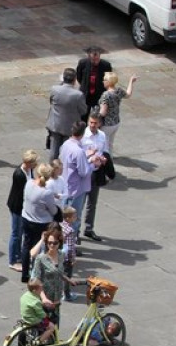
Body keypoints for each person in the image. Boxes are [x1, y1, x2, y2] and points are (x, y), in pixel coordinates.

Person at [30, 226, 79, 326]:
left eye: (55, 243)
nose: (52, 245)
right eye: (49, 243)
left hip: (56, 297)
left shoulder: (61, 255)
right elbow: (36, 280)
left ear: (59, 243)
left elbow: (59, 272)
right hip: (45, 298)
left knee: (55, 323)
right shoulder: (41, 258)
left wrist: (68, 280)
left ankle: (53, 340)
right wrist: (43, 298)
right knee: (44, 326)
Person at [20, 163, 57, 283]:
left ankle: (25, 274)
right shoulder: (46, 192)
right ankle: (38, 274)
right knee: (40, 249)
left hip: (26, 218)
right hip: (41, 223)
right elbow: (54, 210)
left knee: (26, 246)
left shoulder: (29, 183)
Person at [81, 112, 112, 241]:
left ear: (99, 124)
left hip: (96, 172)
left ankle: (89, 228)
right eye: (91, 122)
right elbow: (79, 155)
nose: (93, 125)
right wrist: (90, 158)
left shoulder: (102, 135)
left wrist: (103, 159)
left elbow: (105, 150)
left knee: (92, 202)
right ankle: (75, 231)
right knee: (80, 202)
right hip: (84, 172)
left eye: (95, 123)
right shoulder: (83, 135)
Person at [59, 121, 93, 240]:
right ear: (82, 134)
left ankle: (64, 242)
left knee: (65, 218)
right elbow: (84, 172)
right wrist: (93, 163)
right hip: (76, 190)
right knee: (73, 219)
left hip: (66, 186)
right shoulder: (78, 151)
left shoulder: (66, 144)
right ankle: (70, 246)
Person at [7, 149, 39, 271]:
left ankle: (19, 255)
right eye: (34, 162)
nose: (36, 165)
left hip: (23, 206)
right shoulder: (19, 174)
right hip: (17, 206)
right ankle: (13, 260)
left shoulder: (29, 170)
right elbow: (24, 193)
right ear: (28, 162)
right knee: (16, 234)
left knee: (21, 232)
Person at [45, 68, 87, 161]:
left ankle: (51, 170)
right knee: (67, 152)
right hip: (70, 128)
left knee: (53, 151)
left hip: (55, 125)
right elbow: (83, 110)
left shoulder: (54, 89)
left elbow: (51, 102)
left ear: (63, 78)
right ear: (74, 80)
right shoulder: (78, 95)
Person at [17, 279, 57, 346]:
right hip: (34, 320)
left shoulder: (25, 295)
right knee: (51, 327)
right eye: (40, 289)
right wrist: (47, 313)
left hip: (26, 317)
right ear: (35, 290)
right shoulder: (36, 302)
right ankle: (37, 342)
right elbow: (42, 315)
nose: (42, 290)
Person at [98, 70, 138, 152]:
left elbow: (103, 112)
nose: (103, 81)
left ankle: (106, 162)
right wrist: (131, 81)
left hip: (106, 124)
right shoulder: (119, 90)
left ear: (108, 82)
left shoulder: (106, 95)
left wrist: (95, 117)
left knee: (102, 146)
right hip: (116, 122)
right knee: (110, 144)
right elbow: (128, 94)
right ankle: (110, 159)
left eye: (104, 80)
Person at [75, 46, 112, 119]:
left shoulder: (106, 65)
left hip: (99, 95)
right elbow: (79, 77)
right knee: (83, 115)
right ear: (89, 57)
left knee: (98, 117)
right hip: (86, 94)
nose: (95, 61)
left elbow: (108, 80)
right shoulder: (83, 63)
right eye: (93, 59)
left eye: (97, 59)